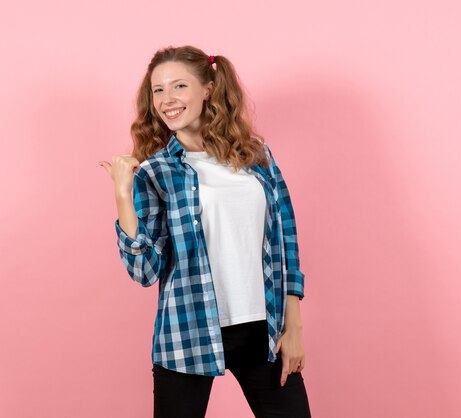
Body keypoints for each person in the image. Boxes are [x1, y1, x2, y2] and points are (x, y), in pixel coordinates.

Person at [99, 45, 311, 418]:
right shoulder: (155, 172)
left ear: (208, 88)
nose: (167, 100)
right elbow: (144, 272)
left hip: (264, 332)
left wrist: (293, 327)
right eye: (158, 90)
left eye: (179, 86)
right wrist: (122, 196)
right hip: (187, 334)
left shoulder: (256, 157)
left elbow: (285, 242)